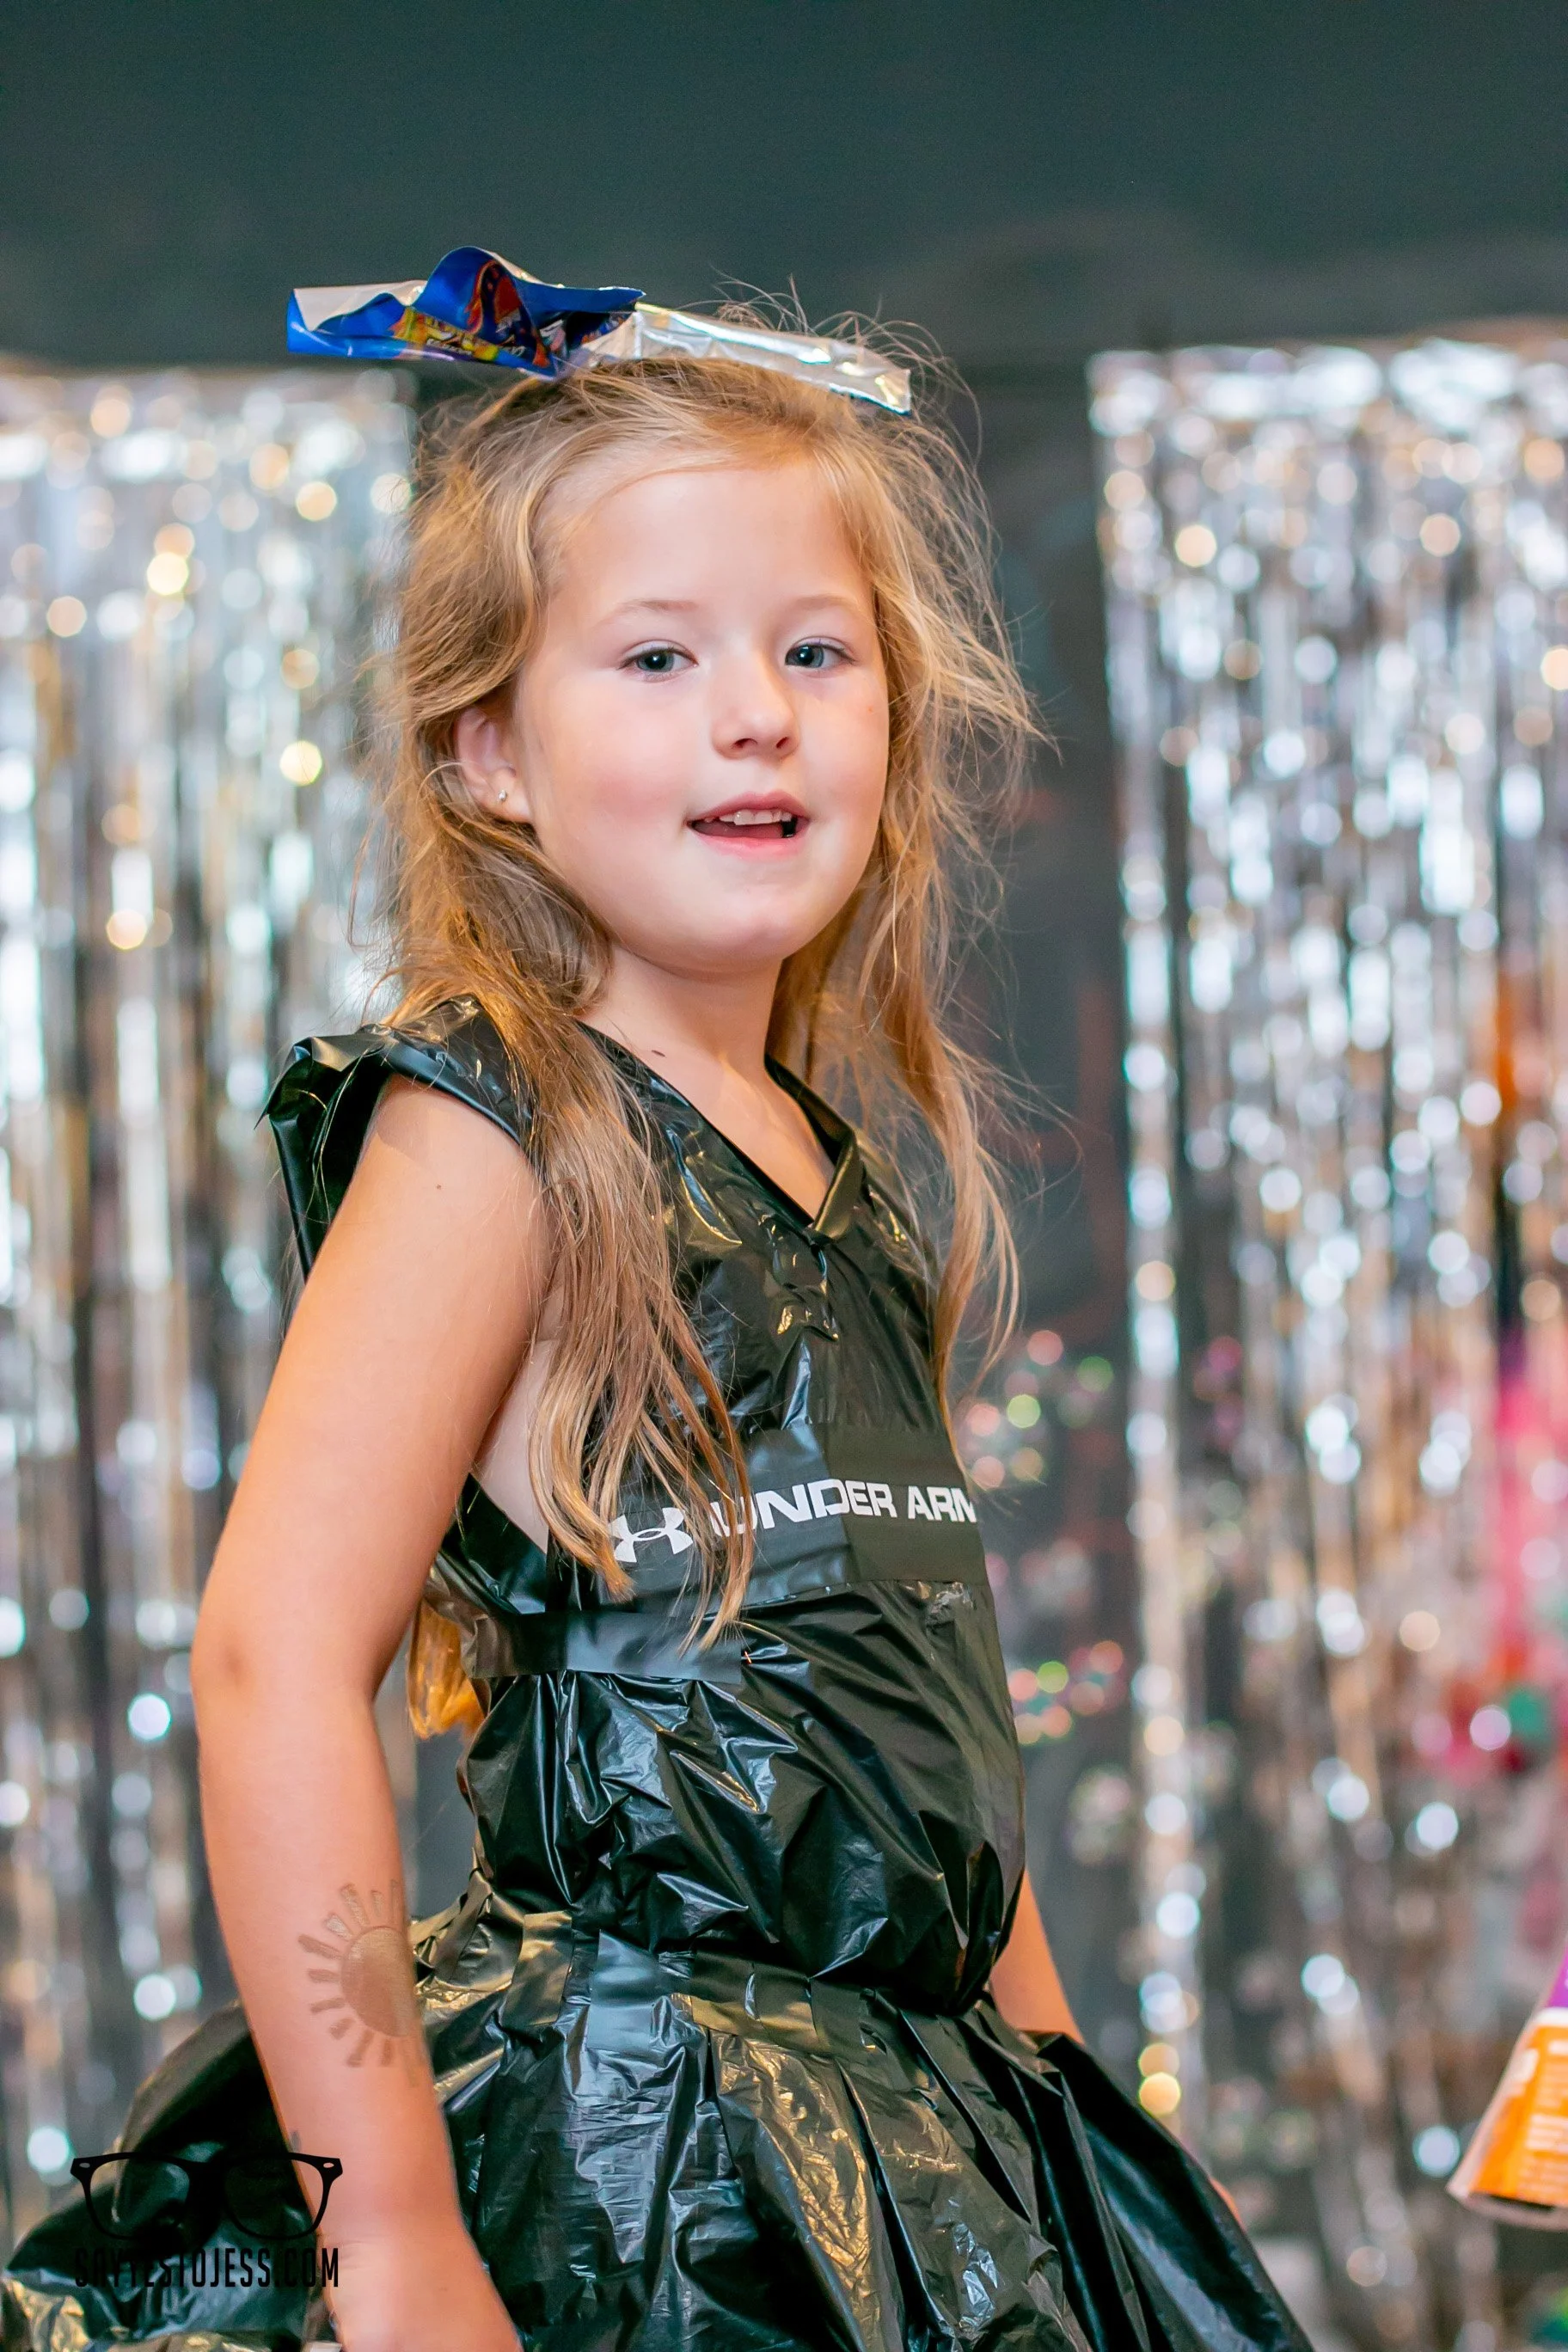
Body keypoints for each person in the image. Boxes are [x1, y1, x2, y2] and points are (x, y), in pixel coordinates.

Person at [3, 294, 1305, 2352]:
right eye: (658, 657)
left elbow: (914, 1723)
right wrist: (394, 2238)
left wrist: (1064, 2151)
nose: (757, 714)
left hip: (926, 2170)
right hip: (650, 2172)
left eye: (813, 649)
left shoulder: (845, 1177)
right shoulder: (496, 1130)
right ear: (489, 752)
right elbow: (269, 1662)